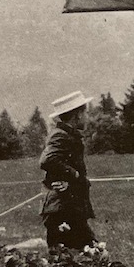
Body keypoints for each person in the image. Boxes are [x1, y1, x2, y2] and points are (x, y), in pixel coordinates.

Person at [39, 91, 97, 250]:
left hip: (69, 205)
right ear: (77, 115)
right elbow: (47, 160)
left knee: (84, 252)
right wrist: (74, 175)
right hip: (62, 207)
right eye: (85, 113)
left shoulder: (67, 135)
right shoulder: (60, 135)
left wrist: (70, 181)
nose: (87, 117)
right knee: (72, 258)